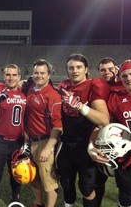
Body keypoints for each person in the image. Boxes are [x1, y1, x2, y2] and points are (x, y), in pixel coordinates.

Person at [89, 60, 131, 207]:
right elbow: (103, 124)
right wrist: (91, 145)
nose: (128, 78)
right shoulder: (116, 98)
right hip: (128, 154)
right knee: (126, 198)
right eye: (124, 76)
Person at [55, 54, 110, 207]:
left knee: (86, 188)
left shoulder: (94, 85)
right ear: (67, 71)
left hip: (86, 146)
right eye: (71, 68)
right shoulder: (63, 86)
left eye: (79, 67)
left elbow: (104, 120)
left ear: (86, 69)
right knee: (66, 185)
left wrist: (81, 107)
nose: (75, 71)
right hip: (66, 144)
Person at [0, 64, 27, 207]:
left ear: (19, 76)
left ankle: (15, 200)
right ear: (4, 76)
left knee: (17, 174)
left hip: (18, 142)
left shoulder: (25, 92)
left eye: (14, 75)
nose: (11, 78)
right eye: (8, 75)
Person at [24, 59, 63, 207]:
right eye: (36, 72)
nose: (39, 75)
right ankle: (39, 203)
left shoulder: (53, 95)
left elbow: (58, 127)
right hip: (31, 141)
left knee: (49, 181)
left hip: (45, 142)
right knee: (34, 177)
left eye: (42, 73)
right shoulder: (31, 89)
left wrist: (47, 149)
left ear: (48, 75)